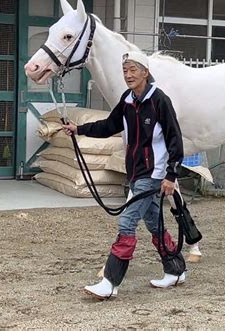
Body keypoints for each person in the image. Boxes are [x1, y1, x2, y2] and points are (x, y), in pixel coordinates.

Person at [62, 51, 186, 300]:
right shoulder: (127, 100)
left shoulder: (159, 100)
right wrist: (79, 129)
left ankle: (110, 282)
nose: (128, 75)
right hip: (135, 172)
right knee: (154, 223)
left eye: (133, 70)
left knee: (127, 222)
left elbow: (175, 140)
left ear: (145, 73)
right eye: (125, 70)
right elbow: (110, 125)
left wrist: (171, 176)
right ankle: (175, 269)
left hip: (152, 174)